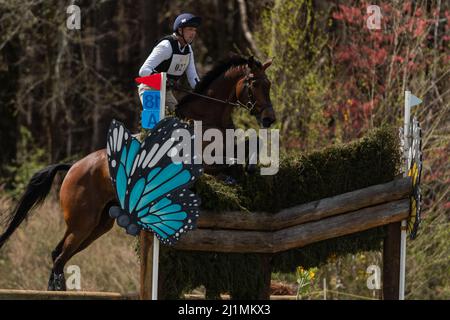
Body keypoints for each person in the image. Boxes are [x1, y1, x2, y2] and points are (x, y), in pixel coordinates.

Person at [138, 13, 201, 113]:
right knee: (159, 121)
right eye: (189, 29)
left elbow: (193, 78)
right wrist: (164, 80)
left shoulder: (188, 50)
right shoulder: (166, 46)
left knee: (180, 120)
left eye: (194, 30)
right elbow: (143, 71)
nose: (193, 33)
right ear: (180, 30)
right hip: (149, 88)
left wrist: (204, 91)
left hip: (166, 91)